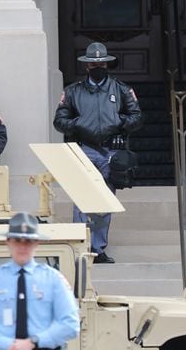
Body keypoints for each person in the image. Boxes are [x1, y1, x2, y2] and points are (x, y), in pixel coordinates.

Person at [53, 42, 142, 264]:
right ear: (87, 66)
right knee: (82, 199)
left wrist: (119, 122)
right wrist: (79, 124)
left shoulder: (121, 89)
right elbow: (59, 121)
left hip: (111, 151)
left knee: (104, 201)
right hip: (85, 148)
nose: (98, 66)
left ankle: (98, 248)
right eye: (94, 63)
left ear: (106, 63)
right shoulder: (73, 91)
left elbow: (136, 117)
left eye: (101, 62)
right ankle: (80, 248)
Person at [0, 212, 80, 350]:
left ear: (36, 243)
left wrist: (35, 342)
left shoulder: (53, 279)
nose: (22, 247)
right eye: (17, 241)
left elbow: (70, 324)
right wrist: (8, 345)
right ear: (8, 242)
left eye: (28, 241)